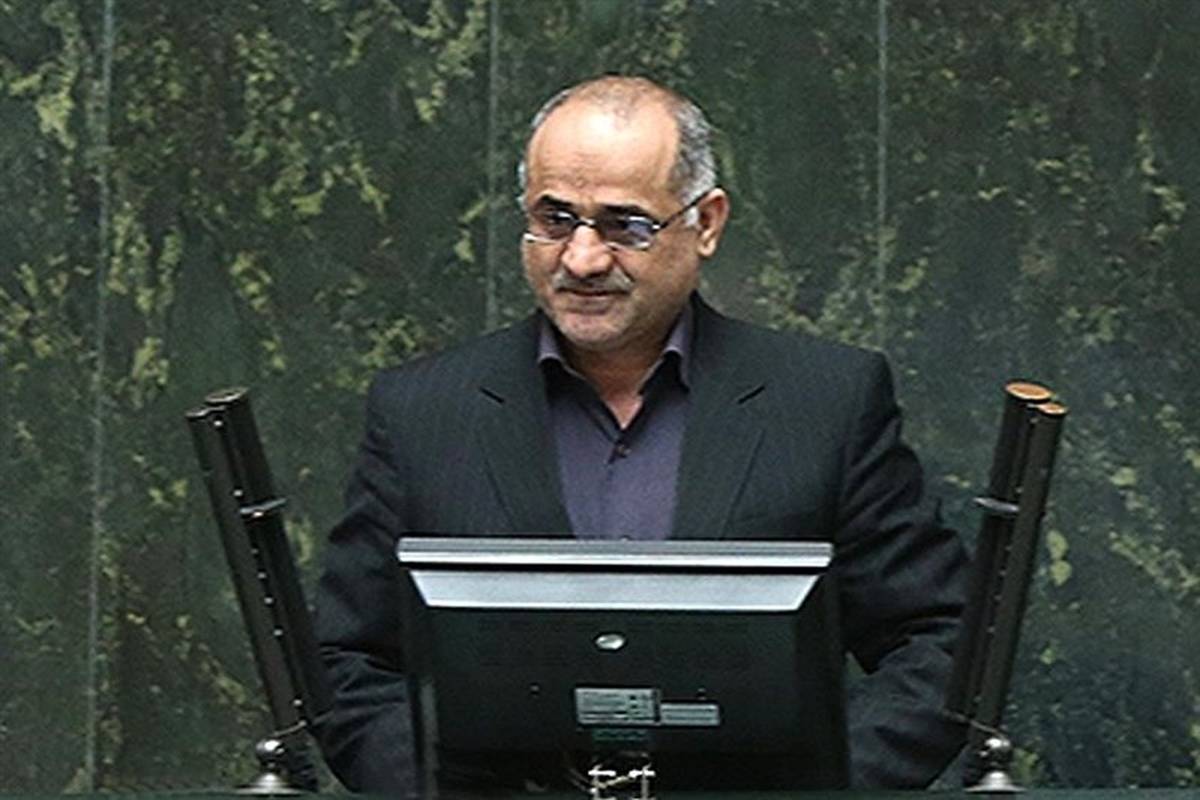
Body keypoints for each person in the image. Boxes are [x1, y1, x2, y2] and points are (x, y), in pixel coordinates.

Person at [312, 75, 968, 795]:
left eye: (625, 225)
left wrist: (821, 791)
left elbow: (940, 642)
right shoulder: (424, 411)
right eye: (554, 219)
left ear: (707, 223)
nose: (583, 259)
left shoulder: (825, 402)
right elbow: (346, 663)